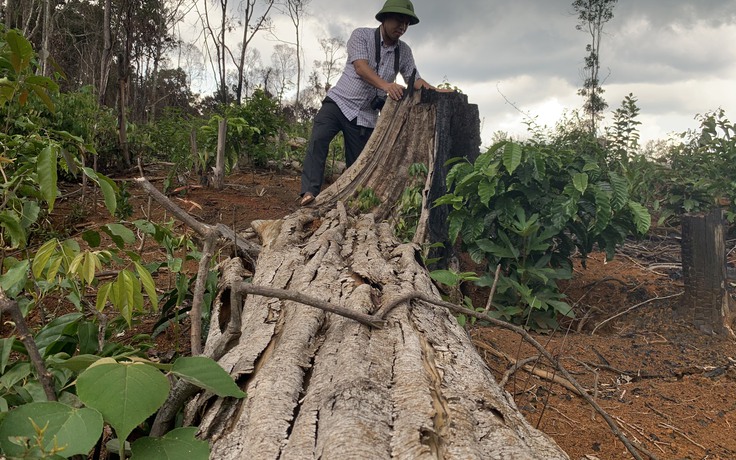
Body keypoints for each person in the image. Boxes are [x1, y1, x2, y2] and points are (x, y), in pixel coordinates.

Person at [300, 0, 445, 206]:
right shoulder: (361, 35)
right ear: (385, 18)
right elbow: (360, 67)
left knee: (359, 164)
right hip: (339, 102)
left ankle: (344, 202)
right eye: (398, 20)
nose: (402, 27)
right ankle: (308, 191)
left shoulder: (403, 51)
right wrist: (386, 85)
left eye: (406, 23)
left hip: (365, 116)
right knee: (318, 140)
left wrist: (438, 91)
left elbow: (415, 80)